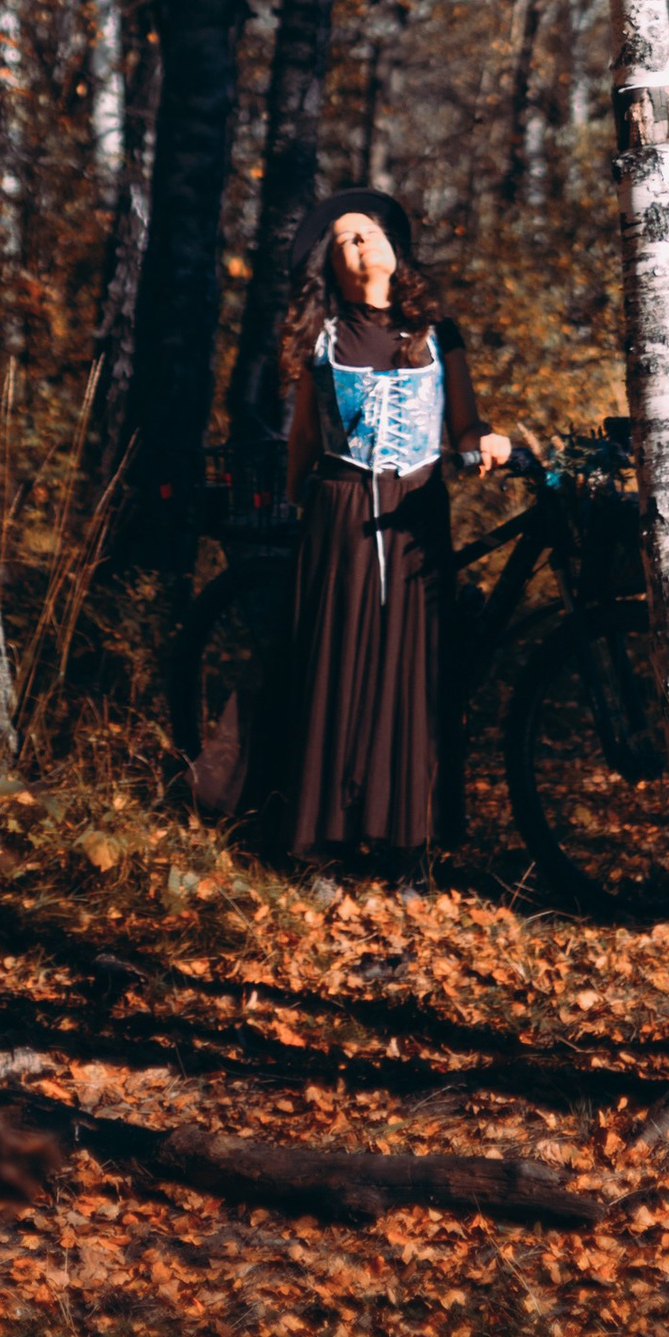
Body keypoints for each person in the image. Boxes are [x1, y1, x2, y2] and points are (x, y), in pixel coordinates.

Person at [278, 189, 509, 891]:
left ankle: (407, 848)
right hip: (342, 515)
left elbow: (464, 425)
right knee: (337, 673)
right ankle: (318, 845)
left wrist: (487, 440)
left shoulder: (439, 332)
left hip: (416, 515)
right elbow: (301, 440)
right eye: (344, 239)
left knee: (413, 676)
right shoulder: (322, 342)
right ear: (331, 265)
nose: (360, 243)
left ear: (392, 248)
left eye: (369, 231)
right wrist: (299, 512)